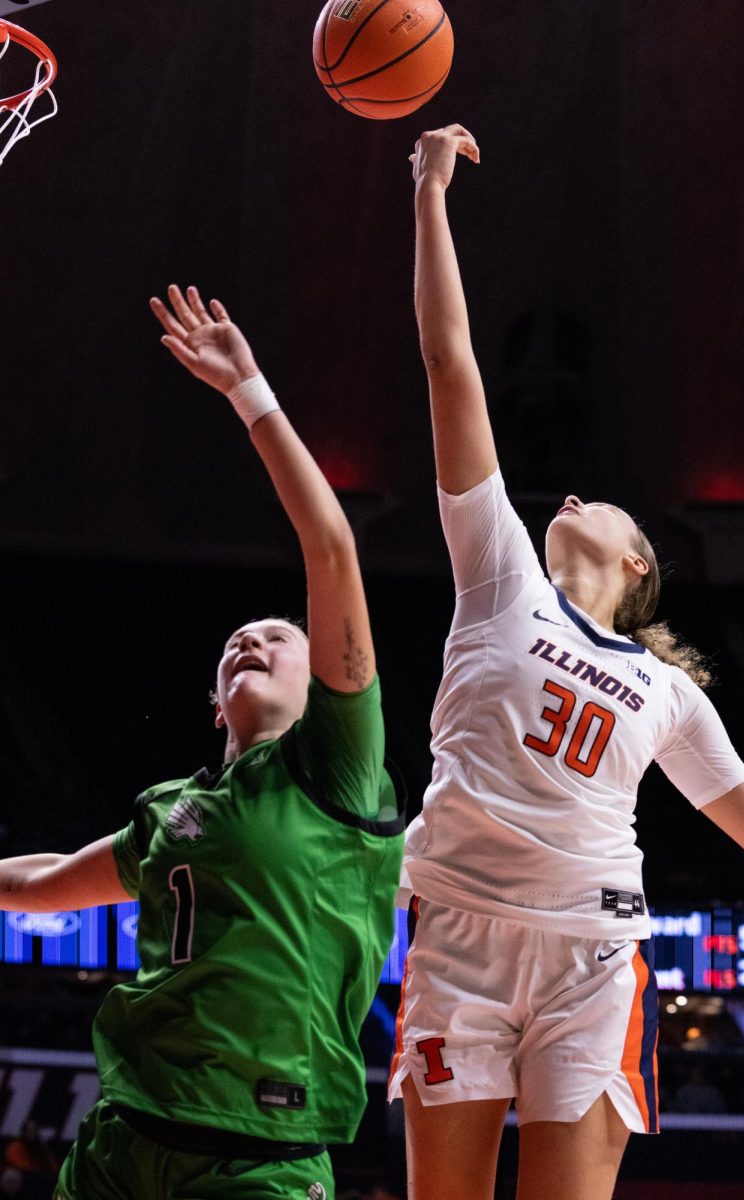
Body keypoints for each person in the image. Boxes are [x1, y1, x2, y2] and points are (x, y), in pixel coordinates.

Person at [387, 125, 744, 1200]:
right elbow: (449, 363)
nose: (566, 493)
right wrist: (428, 194)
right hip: (458, 945)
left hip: (590, 953)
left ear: (633, 560)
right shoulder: (498, 574)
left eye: (599, 504)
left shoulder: (669, 693)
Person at [0, 286, 404, 1200]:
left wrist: (248, 390)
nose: (252, 641)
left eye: (280, 638)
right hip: (123, 1140)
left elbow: (330, 547)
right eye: (238, 642)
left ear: (326, 687)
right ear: (217, 704)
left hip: (259, 1154)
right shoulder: (172, 812)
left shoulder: (336, 770)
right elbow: (33, 883)